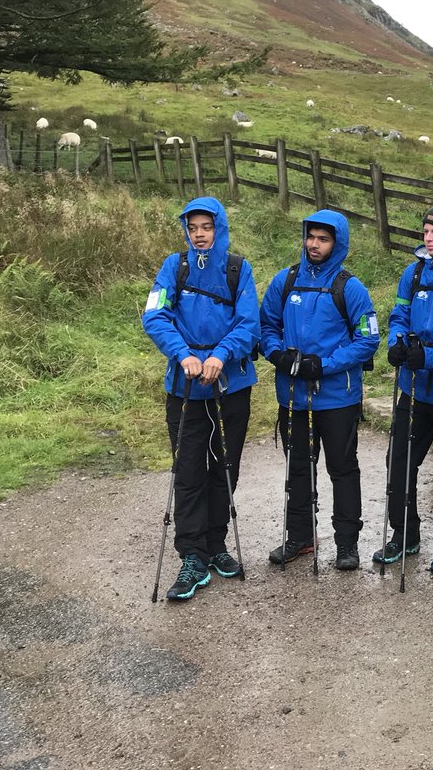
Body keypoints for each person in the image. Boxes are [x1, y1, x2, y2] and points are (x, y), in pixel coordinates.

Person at [142, 196, 259, 601]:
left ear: (219, 228)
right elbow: (155, 315)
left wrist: (221, 355)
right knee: (189, 470)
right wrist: (183, 353)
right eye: (192, 228)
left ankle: (216, 543)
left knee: (225, 468)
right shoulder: (174, 267)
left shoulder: (238, 269)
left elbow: (249, 323)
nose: (199, 235)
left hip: (230, 385)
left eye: (206, 227)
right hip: (186, 385)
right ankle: (192, 555)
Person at [260, 210, 379, 572]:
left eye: (323, 239)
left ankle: (347, 542)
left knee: (342, 470)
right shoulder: (285, 280)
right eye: (310, 237)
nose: (314, 244)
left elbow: (368, 340)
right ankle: (300, 536)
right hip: (293, 396)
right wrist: (277, 354)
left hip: (337, 397)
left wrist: (324, 365)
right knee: (297, 468)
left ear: (337, 243)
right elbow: (266, 326)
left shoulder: (350, 287)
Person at [373, 203, 433, 566]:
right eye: (425, 232)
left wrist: (429, 357)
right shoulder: (413, 273)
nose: (428, 238)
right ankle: (404, 534)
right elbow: (399, 314)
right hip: (413, 388)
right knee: (399, 461)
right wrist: (397, 343)